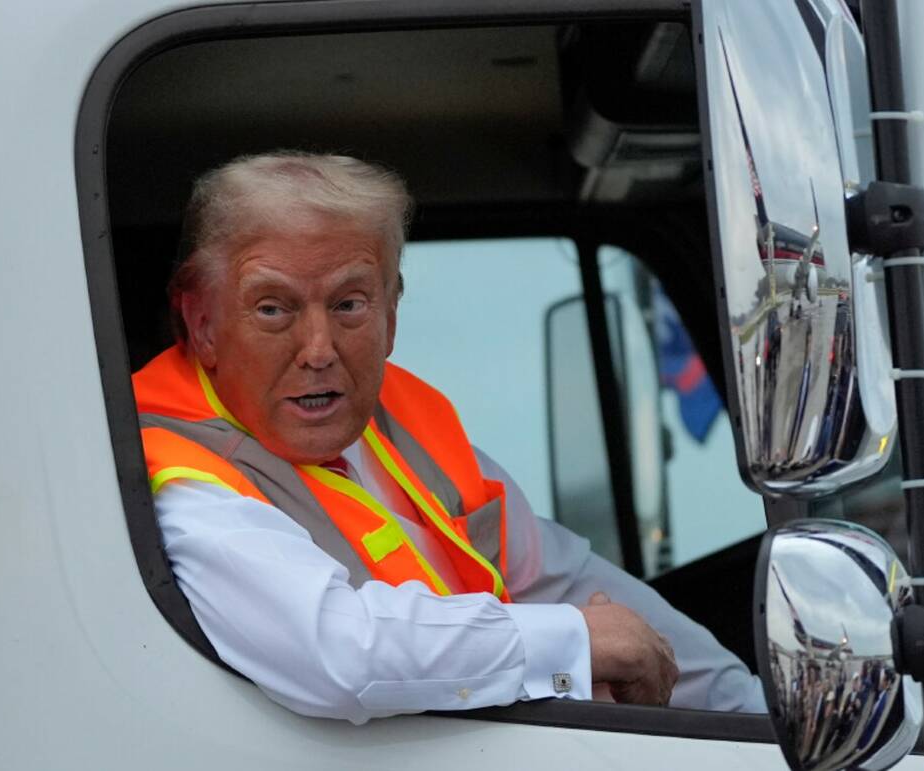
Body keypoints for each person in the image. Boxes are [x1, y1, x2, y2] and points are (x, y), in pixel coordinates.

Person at [132, 151, 766, 724]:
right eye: (273, 308)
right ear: (203, 324)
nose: (318, 350)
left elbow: (565, 579)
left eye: (350, 303)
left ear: (392, 311)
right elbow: (340, 655)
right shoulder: (177, 474)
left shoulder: (406, 427)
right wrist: (572, 642)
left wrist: (755, 721)